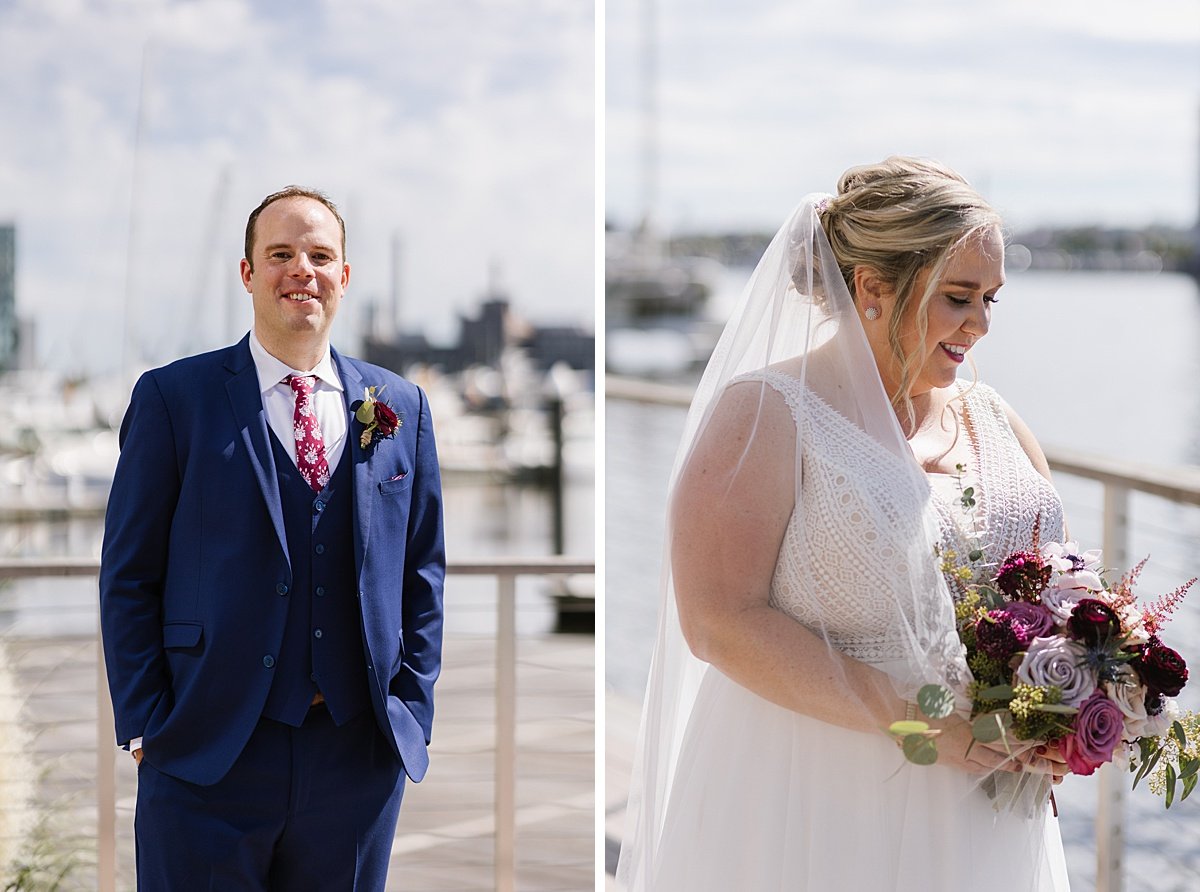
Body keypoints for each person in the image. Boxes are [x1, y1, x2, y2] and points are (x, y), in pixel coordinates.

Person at [616, 157, 1072, 891]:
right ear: (871, 288)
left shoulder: (999, 423)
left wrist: (1064, 713)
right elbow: (719, 622)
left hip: (987, 811)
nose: (980, 325)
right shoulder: (766, 415)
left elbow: (1057, 604)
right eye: (959, 297)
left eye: (991, 299)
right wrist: (927, 721)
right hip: (819, 803)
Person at [99, 186, 445, 890]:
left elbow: (422, 573)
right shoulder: (173, 400)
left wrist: (410, 708)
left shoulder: (400, 406)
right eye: (280, 253)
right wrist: (148, 726)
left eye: (320, 255)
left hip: (356, 760)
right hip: (204, 749)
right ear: (247, 273)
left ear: (344, 277)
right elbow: (129, 575)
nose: (302, 271)